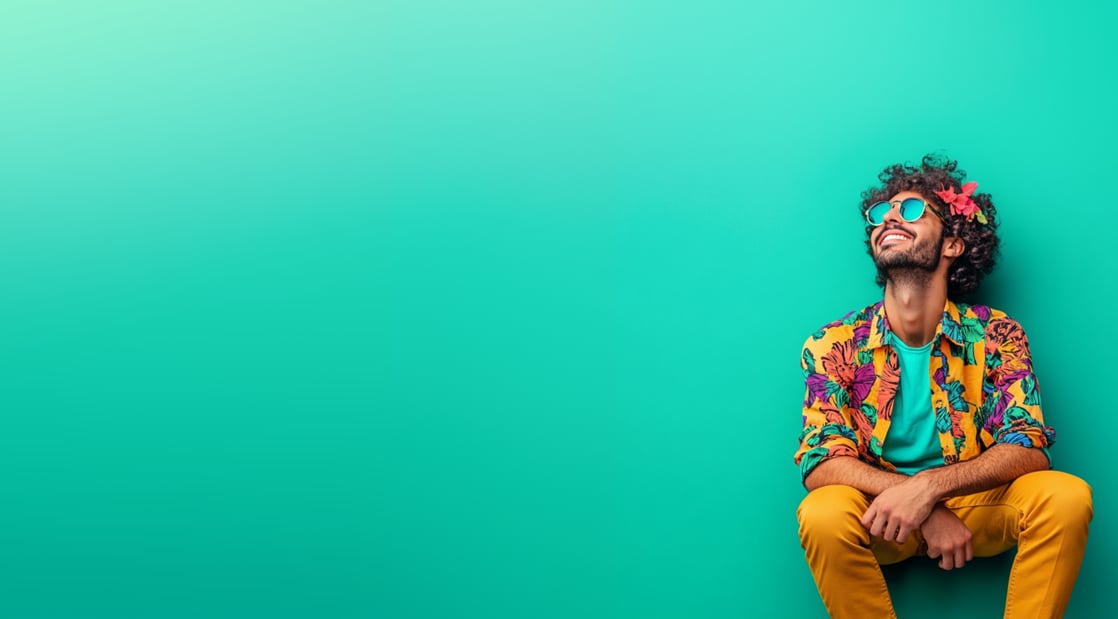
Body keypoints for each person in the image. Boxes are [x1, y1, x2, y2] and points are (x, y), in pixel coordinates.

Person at [793, 154, 1092, 618]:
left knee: (1066, 496)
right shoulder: (832, 343)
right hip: (880, 515)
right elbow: (820, 460)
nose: (889, 217)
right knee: (823, 511)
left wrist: (930, 488)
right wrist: (917, 503)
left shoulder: (997, 335)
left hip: (973, 509)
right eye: (880, 214)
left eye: (911, 210)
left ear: (953, 244)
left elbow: (1028, 446)